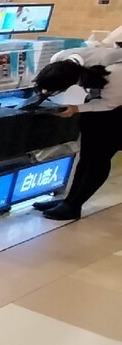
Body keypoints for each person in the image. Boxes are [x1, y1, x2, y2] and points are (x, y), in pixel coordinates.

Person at [30, 46, 122, 221]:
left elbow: (109, 104)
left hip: (117, 111)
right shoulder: (59, 58)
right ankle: (69, 200)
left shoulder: (114, 73)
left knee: (98, 158)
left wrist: (76, 108)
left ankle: (74, 206)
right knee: (86, 155)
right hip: (100, 103)